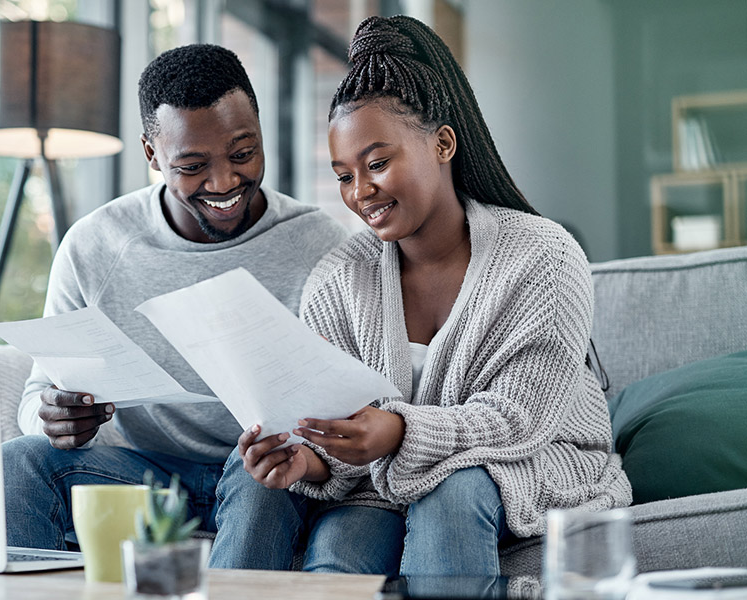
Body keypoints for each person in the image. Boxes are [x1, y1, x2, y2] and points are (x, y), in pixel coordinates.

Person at [218, 15, 632, 577]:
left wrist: (400, 430)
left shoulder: (543, 257)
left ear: (442, 144)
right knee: (338, 551)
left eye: (378, 164)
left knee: (453, 495)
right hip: (386, 481)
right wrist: (308, 460)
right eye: (343, 175)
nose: (361, 192)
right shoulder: (339, 280)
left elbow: (520, 418)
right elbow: (338, 446)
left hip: (529, 459)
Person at [1, 43, 348, 551]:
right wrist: (52, 416)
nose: (225, 181)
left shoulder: (319, 244)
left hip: (268, 470)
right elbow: (39, 393)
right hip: (144, 474)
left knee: (263, 480)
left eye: (243, 153)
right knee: (20, 459)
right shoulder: (96, 245)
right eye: (192, 165)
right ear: (151, 154)